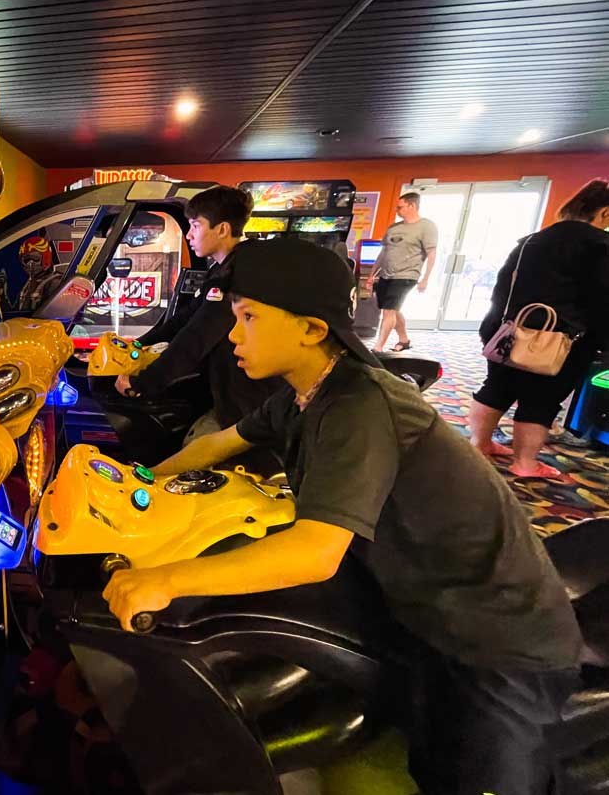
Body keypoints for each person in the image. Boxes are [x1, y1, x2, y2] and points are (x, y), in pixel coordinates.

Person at [103, 237, 581, 795]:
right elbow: (219, 444)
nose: (232, 335)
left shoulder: (359, 404)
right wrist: (135, 483)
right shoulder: (307, 393)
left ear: (310, 329)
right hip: (414, 606)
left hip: (498, 640)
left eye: (249, 317)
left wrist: (163, 580)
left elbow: (315, 550)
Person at [468, 180, 609, 478]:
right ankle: (525, 463)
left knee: (495, 387)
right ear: (605, 213)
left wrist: (494, 328)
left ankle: (479, 443)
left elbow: (503, 286)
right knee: (542, 400)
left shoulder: (532, 240)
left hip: (508, 331)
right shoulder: (599, 246)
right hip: (562, 338)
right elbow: (601, 299)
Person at [114, 186, 280, 432]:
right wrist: (139, 344)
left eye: (196, 226)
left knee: (194, 450)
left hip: (247, 404)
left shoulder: (238, 274)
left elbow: (198, 336)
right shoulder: (224, 267)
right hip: (232, 390)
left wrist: (143, 383)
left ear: (222, 229)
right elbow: (187, 316)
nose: (189, 235)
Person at [367, 192, 438, 352]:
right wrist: (372, 274)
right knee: (392, 309)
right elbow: (383, 253)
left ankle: (378, 348)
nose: (397, 210)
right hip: (386, 274)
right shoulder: (394, 228)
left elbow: (431, 253)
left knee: (388, 311)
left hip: (407, 275)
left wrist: (426, 278)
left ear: (412, 206)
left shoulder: (426, 226)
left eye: (400, 207)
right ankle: (404, 340)